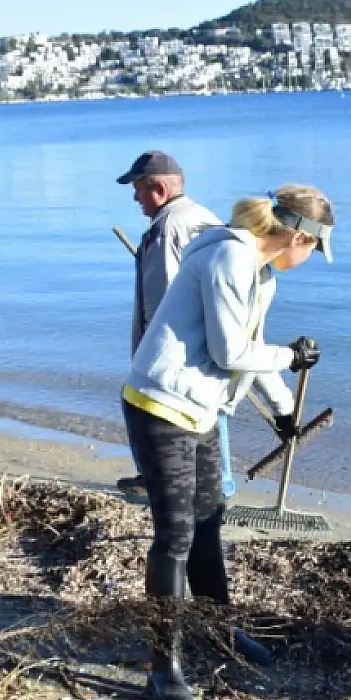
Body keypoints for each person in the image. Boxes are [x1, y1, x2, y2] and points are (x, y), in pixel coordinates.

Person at [121, 184, 336, 700]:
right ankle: (163, 669)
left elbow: (247, 349)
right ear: (298, 237)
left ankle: (218, 632)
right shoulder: (229, 257)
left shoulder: (260, 273)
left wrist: (284, 412)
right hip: (159, 405)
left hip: (200, 410)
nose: (309, 259)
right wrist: (290, 356)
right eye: (314, 249)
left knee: (208, 522)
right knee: (175, 537)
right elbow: (230, 350)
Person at [114, 150, 220, 501]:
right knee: (204, 414)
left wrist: (148, 354)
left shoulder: (165, 228)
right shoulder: (207, 219)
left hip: (172, 351)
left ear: (158, 189)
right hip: (208, 340)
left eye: (138, 189)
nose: (135, 197)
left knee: (154, 412)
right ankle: (210, 485)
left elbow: (160, 302)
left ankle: (155, 481)